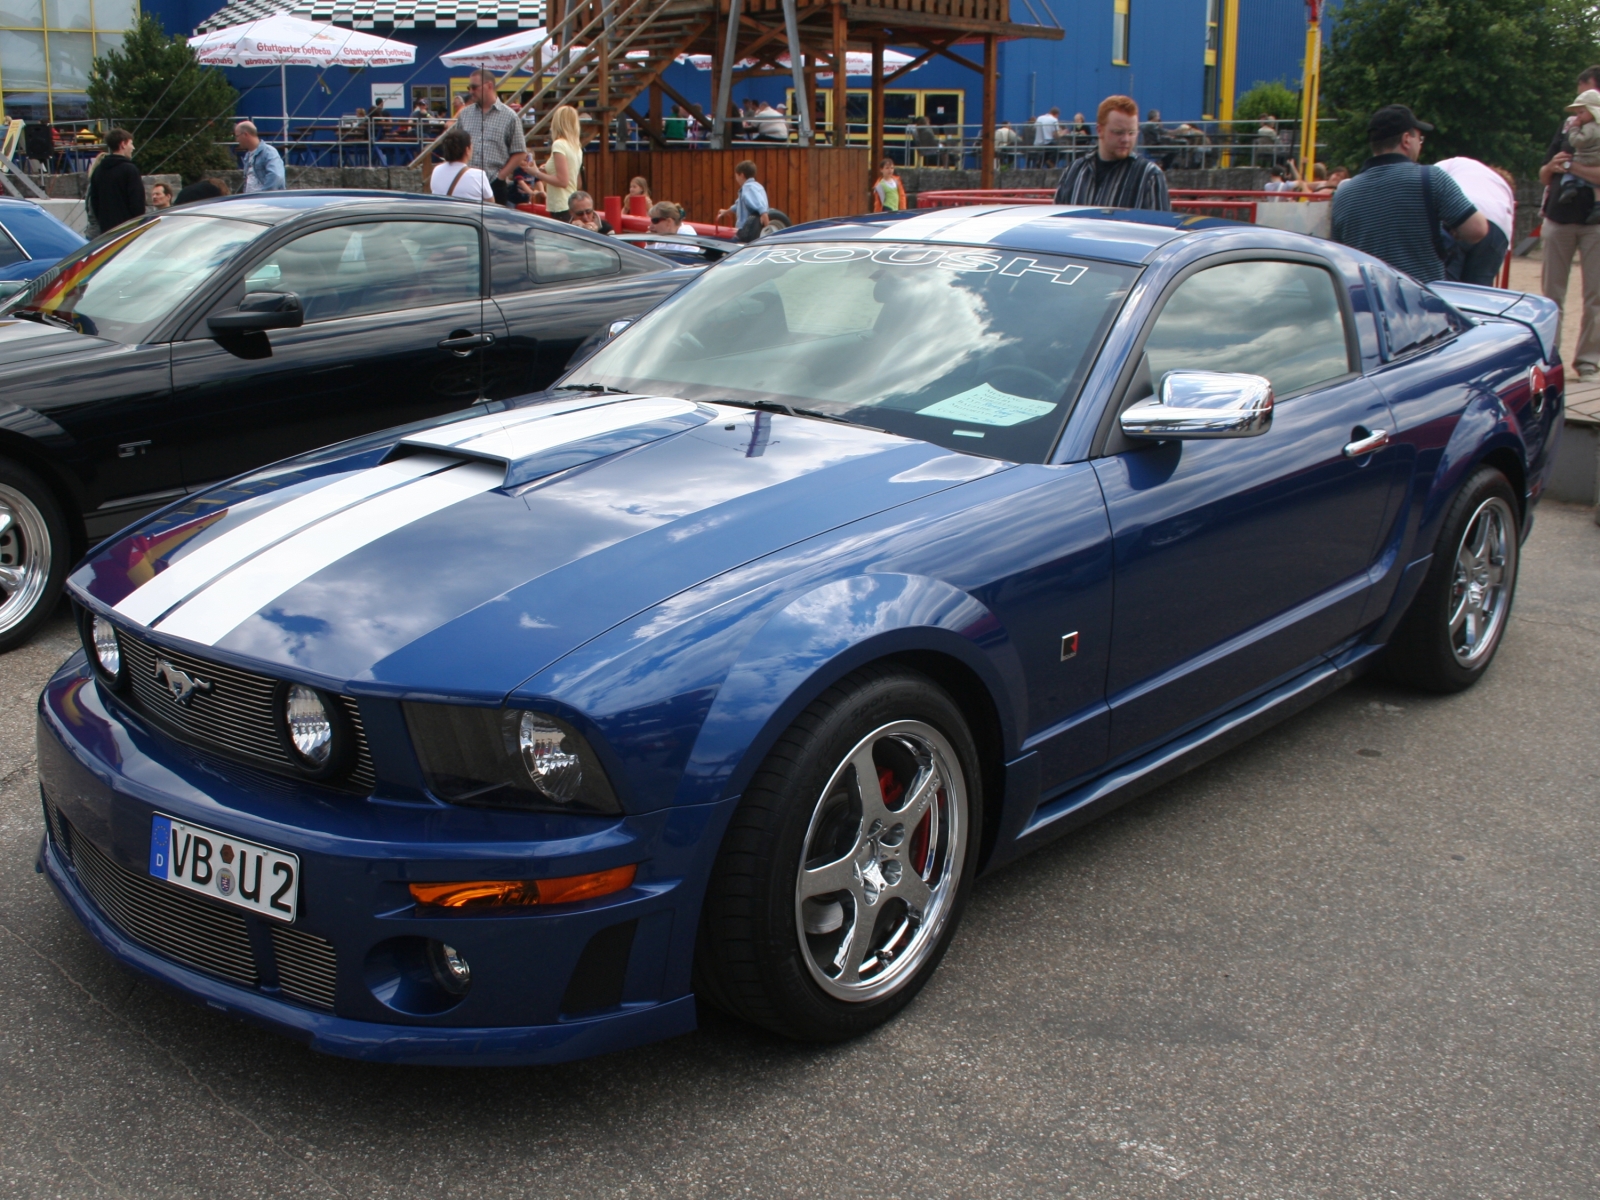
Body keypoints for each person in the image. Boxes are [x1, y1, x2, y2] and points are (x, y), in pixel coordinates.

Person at [1330, 105, 1488, 284]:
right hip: (1420, 301)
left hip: (1367, 301)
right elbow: (1477, 230)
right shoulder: (1431, 179)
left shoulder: (1343, 193)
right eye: (1419, 139)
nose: (1420, 145)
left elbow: (1339, 252)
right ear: (1406, 140)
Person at [1538, 66, 1600, 375]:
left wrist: (1572, 166)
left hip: (1595, 224)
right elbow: (1544, 174)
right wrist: (1553, 165)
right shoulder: (1566, 128)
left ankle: (1588, 362)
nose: (1578, 107)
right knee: (1551, 296)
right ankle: (1551, 360)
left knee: (1595, 295)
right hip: (1557, 219)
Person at [1052, 95, 1171, 210]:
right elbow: (1058, 224)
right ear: (1100, 130)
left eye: (1132, 133)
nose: (1126, 139)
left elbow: (1160, 227)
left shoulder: (1150, 176)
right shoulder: (1074, 171)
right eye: (1118, 132)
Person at [1434, 157, 1513, 287]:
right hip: (1497, 225)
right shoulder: (1504, 188)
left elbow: (1431, 187)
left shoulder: (1454, 163)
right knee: (1478, 292)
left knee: (1446, 289)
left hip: (1461, 216)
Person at [455, 68, 527, 205]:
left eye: (474, 87)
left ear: (489, 86)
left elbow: (520, 152)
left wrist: (501, 177)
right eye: (469, 87)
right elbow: (458, 145)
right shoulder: (465, 114)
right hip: (467, 181)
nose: (471, 91)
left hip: (494, 183)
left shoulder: (509, 116)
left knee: (493, 225)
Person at [528, 104, 583, 220]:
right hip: (570, 202)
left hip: (560, 204)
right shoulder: (576, 147)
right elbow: (577, 182)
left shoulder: (559, 144)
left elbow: (562, 181)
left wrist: (536, 173)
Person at [87, 128, 146, 231]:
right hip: (128, 229)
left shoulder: (98, 171)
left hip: (107, 231)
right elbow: (137, 203)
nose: (133, 148)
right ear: (123, 144)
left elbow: (94, 202)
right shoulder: (129, 170)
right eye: (131, 144)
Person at [429, 126, 494, 201]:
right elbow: (491, 204)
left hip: (443, 212)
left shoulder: (437, 170)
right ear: (467, 150)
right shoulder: (479, 175)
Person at [716, 159, 769, 240]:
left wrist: (768, 230)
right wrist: (726, 212)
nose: (736, 178)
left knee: (731, 246)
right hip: (753, 230)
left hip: (747, 229)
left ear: (741, 175)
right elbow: (738, 205)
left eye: (736, 175)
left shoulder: (748, 188)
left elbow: (761, 208)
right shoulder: (757, 186)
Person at [234, 121, 285, 193]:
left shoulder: (268, 152)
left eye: (237, 136)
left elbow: (276, 176)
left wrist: (262, 196)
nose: (237, 140)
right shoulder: (247, 156)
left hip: (264, 201)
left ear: (245, 134)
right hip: (251, 201)